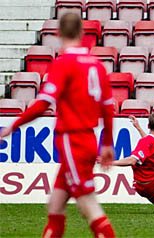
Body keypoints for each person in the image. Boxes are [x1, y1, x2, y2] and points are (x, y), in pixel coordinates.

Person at [0, 13, 116, 237]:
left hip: (73, 140)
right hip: (88, 139)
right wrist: (108, 142)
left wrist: (13, 125)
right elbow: (107, 107)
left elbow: (44, 103)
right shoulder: (97, 65)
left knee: (88, 204)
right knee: (55, 204)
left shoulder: (63, 63)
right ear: (82, 33)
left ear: (58, 33)